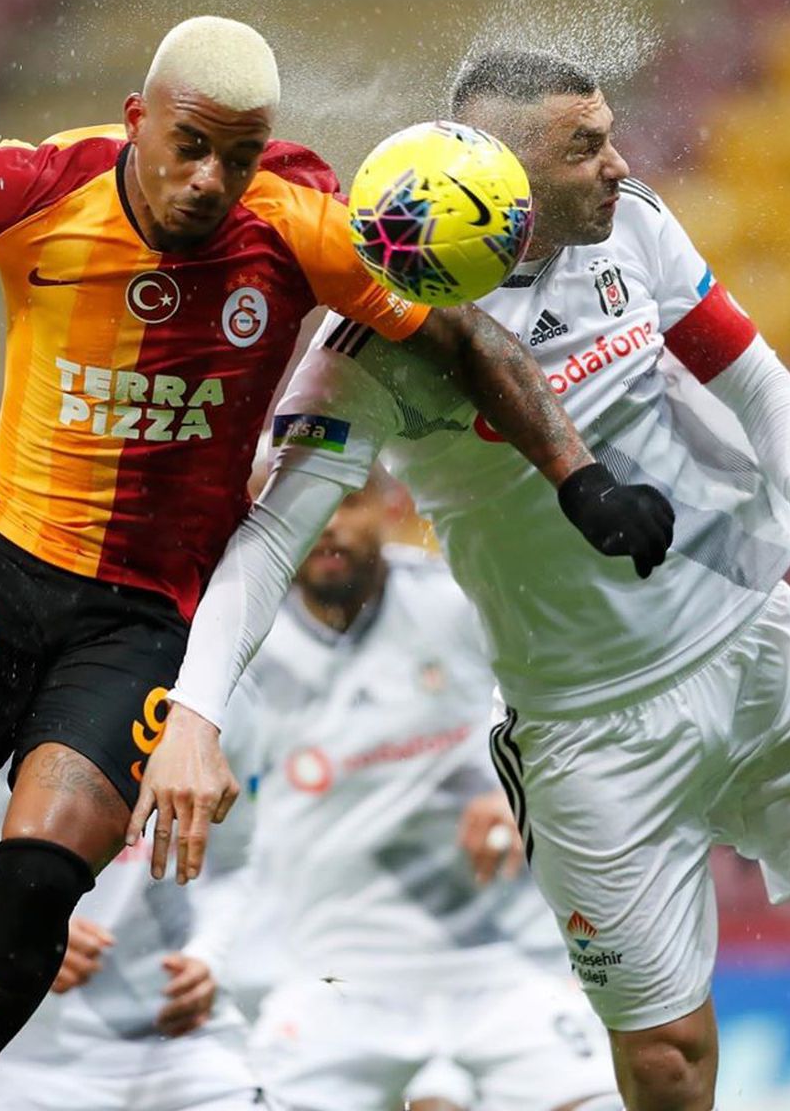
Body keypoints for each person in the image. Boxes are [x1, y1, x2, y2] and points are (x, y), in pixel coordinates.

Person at [0, 19, 672, 1111]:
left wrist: (581, 478)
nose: (214, 179)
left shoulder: (299, 221)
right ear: (138, 119)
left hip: (141, 619)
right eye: (191, 147)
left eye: (242, 152)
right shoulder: (40, 184)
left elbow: (462, 342)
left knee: (35, 884)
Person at [158, 47, 790, 1111]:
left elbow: (757, 381)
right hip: (587, 732)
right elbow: (270, 542)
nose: (620, 164)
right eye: (586, 146)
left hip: (756, 650)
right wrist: (197, 712)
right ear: (505, 176)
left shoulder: (634, 226)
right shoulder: (372, 349)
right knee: (665, 1063)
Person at [225, 476, 619, 1111]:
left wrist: (528, 791)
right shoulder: (238, 643)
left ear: (388, 505)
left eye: (344, 501)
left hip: (499, 965)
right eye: (298, 506)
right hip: (335, 977)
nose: (325, 524)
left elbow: (586, 708)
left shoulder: (458, 602)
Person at [0, 754, 263, 1111]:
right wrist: (20, 936)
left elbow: (236, 866)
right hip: (22, 1063)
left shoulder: (207, 709)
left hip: (187, 1052)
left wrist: (209, 956)